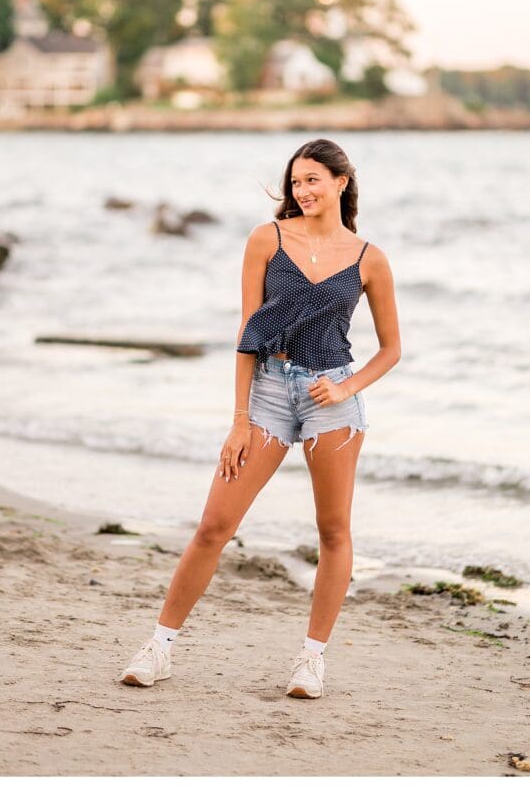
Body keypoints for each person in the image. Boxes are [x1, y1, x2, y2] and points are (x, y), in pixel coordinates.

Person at [120, 138, 401, 698]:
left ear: (342, 182)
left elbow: (391, 349)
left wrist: (345, 387)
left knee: (334, 531)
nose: (303, 191)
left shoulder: (370, 257)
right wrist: (239, 419)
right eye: (296, 182)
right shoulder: (266, 240)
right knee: (214, 526)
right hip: (270, 392)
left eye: (314, 180)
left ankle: (311, 660)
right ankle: (159, 646)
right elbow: (248, 336)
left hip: (333, 403)